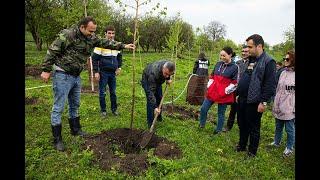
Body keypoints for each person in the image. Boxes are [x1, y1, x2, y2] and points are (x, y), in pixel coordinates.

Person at [40, 16, 135, 151]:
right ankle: (57, 139)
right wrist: (45, 69)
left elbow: (105, 42)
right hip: (62, 74)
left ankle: (76, 129)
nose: (92, 33)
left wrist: (123, 45)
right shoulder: (68, 35)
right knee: (59, 106)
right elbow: (52, 50)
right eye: (90, 31)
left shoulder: (91, 37)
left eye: (94, 31)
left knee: (75, 104)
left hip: (76, 76)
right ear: (82, 27)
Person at [236, 34, 276, 157]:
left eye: (250, 46)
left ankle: (252, 151)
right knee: (242, 123)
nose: (247, 49)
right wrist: (239, 93)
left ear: (259, 46)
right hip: (243, 98)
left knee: (253, 127)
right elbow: (247, 76)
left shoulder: (269, 61)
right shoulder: (252, 59)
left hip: (255, 101)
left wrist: (263, 102)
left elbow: (270, 84)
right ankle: (242, 145)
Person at [198, 47, 238, 134]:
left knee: (221, 113)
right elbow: (212, 76)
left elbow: (234, 83)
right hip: (213, 90)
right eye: (221, 55)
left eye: (224, 55)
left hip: (223, 94)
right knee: (203, 108)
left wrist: (225, 91)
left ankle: (218, 130)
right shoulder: (218, 64)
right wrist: (209, 85)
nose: (222, 57)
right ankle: (201, 124)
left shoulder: (235, 67)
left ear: (230, 55)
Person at [92, 25, 123, 117]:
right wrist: (96, 72)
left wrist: (119, 67)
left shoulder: (117, 45)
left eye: (113, 33)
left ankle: (114, 109)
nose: (111, 35)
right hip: (103, 73)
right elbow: (94, 59)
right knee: (102, 92)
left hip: (113, 73)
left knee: (113, 92)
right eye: (109, 33)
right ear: (105, 34)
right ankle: (103, 111)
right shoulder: (100, 45)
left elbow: (120, 57)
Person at [269, 51, 295, 157]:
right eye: (284, 58)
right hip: (279, 104)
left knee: (289, 129)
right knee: (278, 126)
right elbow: (278, 89)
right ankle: (276, 142)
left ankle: (289, 147)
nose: (285, 61)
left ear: (293, 60)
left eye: (287, 59)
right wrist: (275, 103)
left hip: (290, 106)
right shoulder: (283, 72)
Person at [141, 60, 175, 128]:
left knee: (159, 97)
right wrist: (155, 107)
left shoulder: (168, 65)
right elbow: (150, 93)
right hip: (147, 80)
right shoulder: (153, 74)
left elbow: (168, 74)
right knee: (151, 101)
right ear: (163, 68)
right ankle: (150, 122)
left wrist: (168, 79)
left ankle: (158, 116)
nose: (167, 76)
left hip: (158, 80)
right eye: (166, 74)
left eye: (169, 74)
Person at [225, 45, 250, 131]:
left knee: (243, 110)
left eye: (246, 51)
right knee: (233, 109)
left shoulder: (252, 63)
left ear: (249, 52)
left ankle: (242, 127)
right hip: (236, 89)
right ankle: (229, 126)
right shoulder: (237, 63)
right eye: (242, 51)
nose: (244, 53)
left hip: (246, 90)